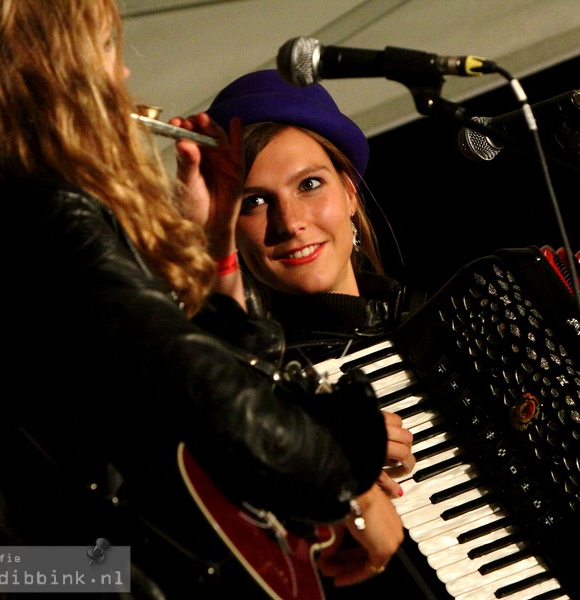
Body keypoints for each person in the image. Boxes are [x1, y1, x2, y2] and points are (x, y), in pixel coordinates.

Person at [0, 2, 402, 598]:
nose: (120, 78)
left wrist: (217, 254)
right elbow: (210, 399)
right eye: (108, 49)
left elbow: (20, 552)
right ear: (51, 66)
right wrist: (350, 479)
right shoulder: (38, 215)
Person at [174, 70, 426, 596]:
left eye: (309, 184)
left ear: (350, 192)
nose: (289, 222)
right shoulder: (253, 383)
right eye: (254, 201)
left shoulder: (435, 320)